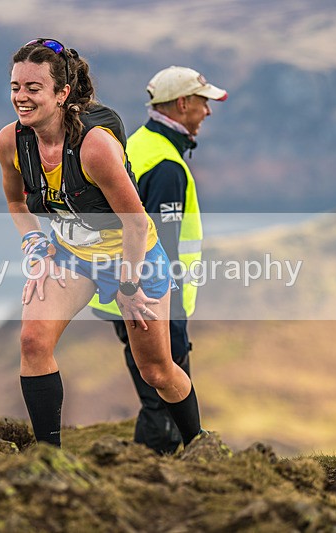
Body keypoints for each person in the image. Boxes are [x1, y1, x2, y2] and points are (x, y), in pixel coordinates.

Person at [0, 39, 202, 449]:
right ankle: (49, 459)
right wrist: (35, 245)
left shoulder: (95, 147)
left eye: (34, 88)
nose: (21, 97)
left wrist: (127, 285)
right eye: (16, 86)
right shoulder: (11, 141)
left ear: (61, 94)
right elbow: (17, 203)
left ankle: (201, 445)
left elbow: (137, 224)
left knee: (157, 371)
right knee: (33, 342)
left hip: (133, 256)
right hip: (72, 256)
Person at [89, 66, 227, 454]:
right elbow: (160, 250)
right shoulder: (166, 167)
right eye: (203, 102)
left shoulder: (137, 144)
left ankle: (141, 472)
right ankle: (151, 476)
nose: (207, 111)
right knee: (165, 403)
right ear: (182, 104)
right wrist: (173, 321)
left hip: (121, 294)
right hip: (150, 301)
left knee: (155, 396)